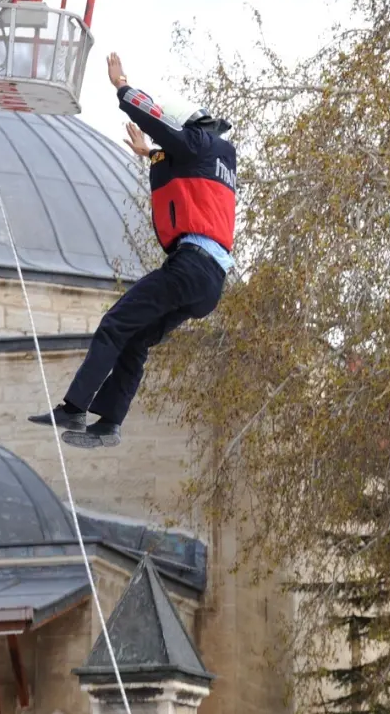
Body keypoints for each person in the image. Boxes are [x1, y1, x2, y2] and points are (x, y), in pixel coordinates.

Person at [28, 52, 236, 448]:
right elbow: (180, 166)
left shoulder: (196, 141)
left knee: (115, 324)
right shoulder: (219, 155)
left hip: (190, 266)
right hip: (210, 283)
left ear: (185, 126)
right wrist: (151, 155)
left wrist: (122, 86)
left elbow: (160, 124)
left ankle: (74, 407)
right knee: (137, 340)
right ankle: (109, 424)